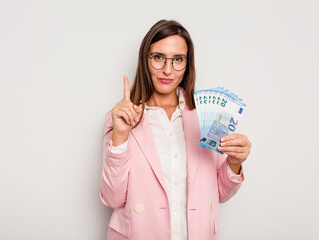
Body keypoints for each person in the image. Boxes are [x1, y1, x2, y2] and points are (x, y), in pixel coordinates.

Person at [99, 19, 251, 240]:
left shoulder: (207, 117)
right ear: (145, 60)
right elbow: (112, 198)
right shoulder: (121, 118)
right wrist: (121, 136)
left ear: (187, 64)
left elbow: (219, 194)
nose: (168, 70)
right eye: (158, 57)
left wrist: (234, 163)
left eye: (178, 59)